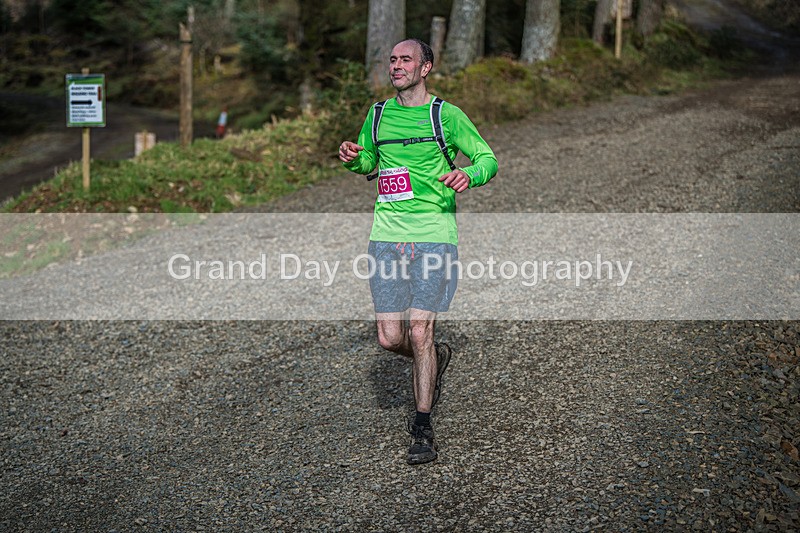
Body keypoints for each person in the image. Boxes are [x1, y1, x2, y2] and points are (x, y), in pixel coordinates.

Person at [339, 38, 498, 465]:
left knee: (419, 330)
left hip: (433, 233)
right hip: (386, 235)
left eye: (406, 59)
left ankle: (422, 426)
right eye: (392, 60)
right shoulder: (376, 115)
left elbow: (487, 158)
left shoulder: (445, 115)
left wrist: (470, 174)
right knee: (391, 338)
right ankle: (433, 359)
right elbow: (369, 163)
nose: (396, 66)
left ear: (426, 67)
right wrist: (352, 157)